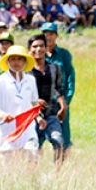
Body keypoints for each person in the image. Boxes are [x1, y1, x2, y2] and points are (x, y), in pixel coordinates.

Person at [0, 46, 40, 161]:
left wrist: (39, 118)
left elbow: (34, 103)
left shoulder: (30, 80)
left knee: (32, 155)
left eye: (20, 59)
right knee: (8, 164)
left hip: (26, 127)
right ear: (7, 61)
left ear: (25, 61)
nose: (16, 62)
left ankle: (31, 178)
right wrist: (1, 114)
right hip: (7, 129)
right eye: (13, 59)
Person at [27, 34, 67, 164]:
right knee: (32, 150)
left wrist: (63, 105)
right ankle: (32, 178)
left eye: (41, 46)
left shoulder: (54, 68)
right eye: (35, 46)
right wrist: (34, 101)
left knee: (59, 142)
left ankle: (57, 175)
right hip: (30, 117)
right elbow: (19, 94)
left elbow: (58, 88)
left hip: (50, 113)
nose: (38, 49)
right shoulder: (25, 71)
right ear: (29, 50)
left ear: (46, 48)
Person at [42, 23, 75, 148]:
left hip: (60, 104)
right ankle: (33, 167)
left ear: (56, 36)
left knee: (63, 140)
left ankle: (59, 167)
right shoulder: (37, 53)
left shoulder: (64, 55)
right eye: (45, 34)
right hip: (42, 103)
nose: (48, 37)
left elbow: (70, 78)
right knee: (36, 139)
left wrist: (66, 102)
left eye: (51, 34)